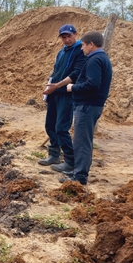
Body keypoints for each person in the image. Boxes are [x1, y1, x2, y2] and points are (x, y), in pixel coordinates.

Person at [59, 31, 112, 185]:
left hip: (88, 106)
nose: (81, 48)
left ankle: (80, 177)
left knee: (81, 142)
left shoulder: (95, 60)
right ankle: (78, 171)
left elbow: (92, 84)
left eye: (83, 45)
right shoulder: (101, 58)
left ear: (91, 44)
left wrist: (73, 87)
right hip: (91, 105)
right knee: (83, 141)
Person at [39, 24, 87, 172]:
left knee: (61, 128)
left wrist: (57, 85)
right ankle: (54, 155)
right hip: (55, 93)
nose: (67, 40)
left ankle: (70, 160)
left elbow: (75, 74)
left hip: (67, 94)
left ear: (75, 34)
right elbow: (56, 71)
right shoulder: (61, 52)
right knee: (50, 125)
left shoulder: (80, 51)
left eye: (69, 36)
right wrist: (49, 86)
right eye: (64, 37)